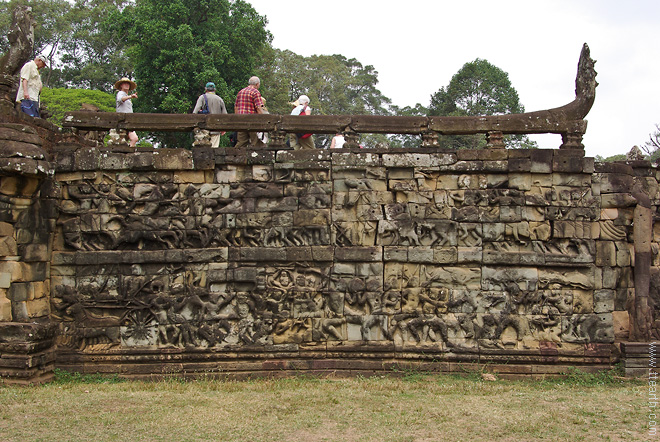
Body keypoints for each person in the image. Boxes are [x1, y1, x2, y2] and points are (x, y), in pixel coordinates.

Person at [193, 82, 228, 148]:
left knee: (203, 148)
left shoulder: (202, 98)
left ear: (206, 89)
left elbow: (195, 112)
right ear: (214, 89)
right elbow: (225, 115)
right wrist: (224, 128)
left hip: (204, 128)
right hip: (216, 128)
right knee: (214, 148)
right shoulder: (219, 99)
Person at [234, 76, 265, 147]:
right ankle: (257, 157)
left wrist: (236, 119)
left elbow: (236, 107)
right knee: (256, 143)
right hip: (253, 121)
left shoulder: (241, 92)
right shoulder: (255, 92)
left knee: (241, 143)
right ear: (257, 84)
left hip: (241, 121)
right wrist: (263, 119)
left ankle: (236, 156)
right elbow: (258, 108)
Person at [114, 77, 139, 147]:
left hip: (128, 121)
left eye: (128, 83)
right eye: (124, 83)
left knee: (128, 140)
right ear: (121, 85)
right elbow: (120, 99)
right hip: (123, 121)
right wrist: (131, 96)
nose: (126, 85)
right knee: (134, 138)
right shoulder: (120, 93)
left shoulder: (127, 96)